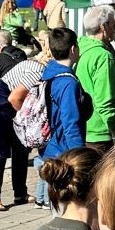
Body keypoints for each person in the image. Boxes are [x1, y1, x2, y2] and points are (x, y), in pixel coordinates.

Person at [0, 32, 31, 211]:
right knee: (20, 151)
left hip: (2, 107)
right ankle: (20, 192)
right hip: (17, 108)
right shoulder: (22, 56)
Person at [3, 47, 51, 207]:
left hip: (14, 110)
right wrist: (27, 120)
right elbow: (14, 98)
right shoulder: (38, 71)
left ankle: (28, 195)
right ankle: (37, 197)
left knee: (25, 156)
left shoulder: (34, 68)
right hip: (9, 109)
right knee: (19, 154)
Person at [74, 5, 115, 153]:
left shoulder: (79, 48)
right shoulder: (102, 56)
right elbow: (104, 99)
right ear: (104, 26)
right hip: (101, 132)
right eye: (114, 24)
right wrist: (114, 133)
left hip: (83, 126)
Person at [41, 27, 87, 158]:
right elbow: (71, 123)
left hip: (48, 148)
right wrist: (80, 157)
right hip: (63, 153)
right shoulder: (68, 83)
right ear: (73, 49)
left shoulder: (48, 72)